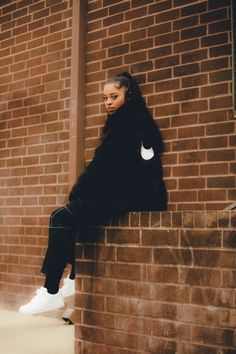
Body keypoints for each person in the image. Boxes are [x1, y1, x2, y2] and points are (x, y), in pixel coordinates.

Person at [18, 72, 167, 315]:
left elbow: (104, 165)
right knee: (82, 217)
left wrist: (79, 190)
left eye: (114, 96)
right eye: (105, 98)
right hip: (138, 193)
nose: (108, 102)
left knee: (61, 217)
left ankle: (51, 292)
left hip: (136, 196)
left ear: (128, 96)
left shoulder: (128, 123)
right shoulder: (136, 120)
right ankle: (74, 279)